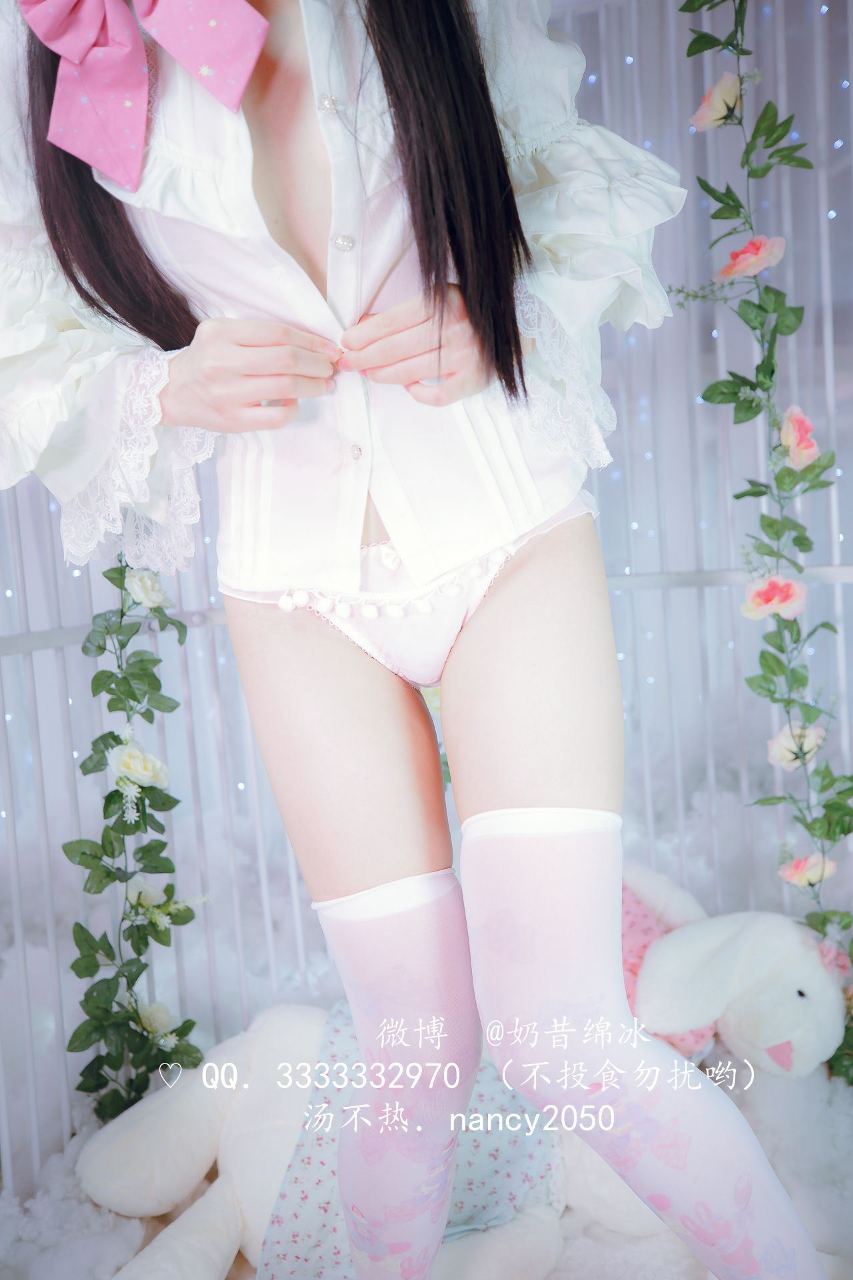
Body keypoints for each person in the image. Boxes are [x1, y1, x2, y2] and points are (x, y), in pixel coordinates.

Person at [1, 0, 828, 1276]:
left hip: (506, 535)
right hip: (293, 591)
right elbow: (24, 336)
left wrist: (495, 306)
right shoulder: (61, 35)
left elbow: (558, 181)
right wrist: (162, 382)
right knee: (412, 1044)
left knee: (560, 1033)